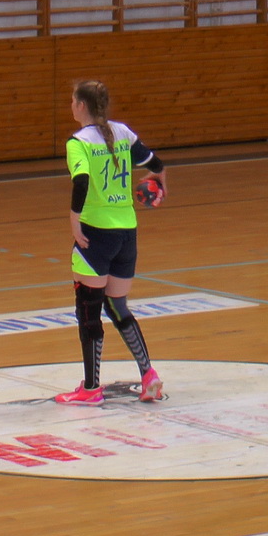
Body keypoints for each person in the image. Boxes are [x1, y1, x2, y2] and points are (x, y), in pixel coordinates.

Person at [55, 80, 168, 406]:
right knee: (118, 307)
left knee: (88, 311)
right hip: (126, 233)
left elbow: (82, 181)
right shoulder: (123, 133)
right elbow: (156, 164)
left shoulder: (78, 142)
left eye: (72, 100)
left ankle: (91, 388)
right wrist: (161, 186)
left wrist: (74, 219)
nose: (71, 105)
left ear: (81, 106)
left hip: (96, 234)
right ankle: (148, 375)